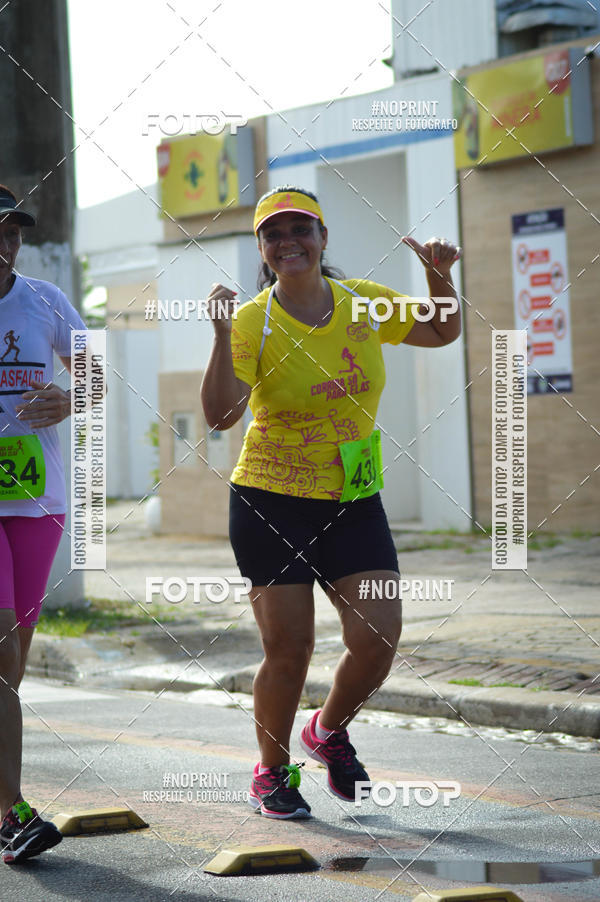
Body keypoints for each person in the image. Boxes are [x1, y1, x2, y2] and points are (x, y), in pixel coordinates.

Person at [201, 186, 461, 819]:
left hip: (352, 494)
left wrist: (437, 276)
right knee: (289, 648)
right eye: (273, 234)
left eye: (301, 229)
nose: (288, 241)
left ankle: (326, 728)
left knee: (379, 638)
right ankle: (270, 771)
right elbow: (220, 415)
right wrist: (218, 335)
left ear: (322, 238)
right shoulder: (253, 321)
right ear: (263, 250)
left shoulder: (363, 303)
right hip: (271, 498)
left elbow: (441, 329)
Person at [0, 185, 86, 863]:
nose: (5, 242)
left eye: (13, 231)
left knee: (14, 664)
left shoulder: (45, 301)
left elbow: (97, 376)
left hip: (38, 499)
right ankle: (13, 812)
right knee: (0, 658)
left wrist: (70, 395)